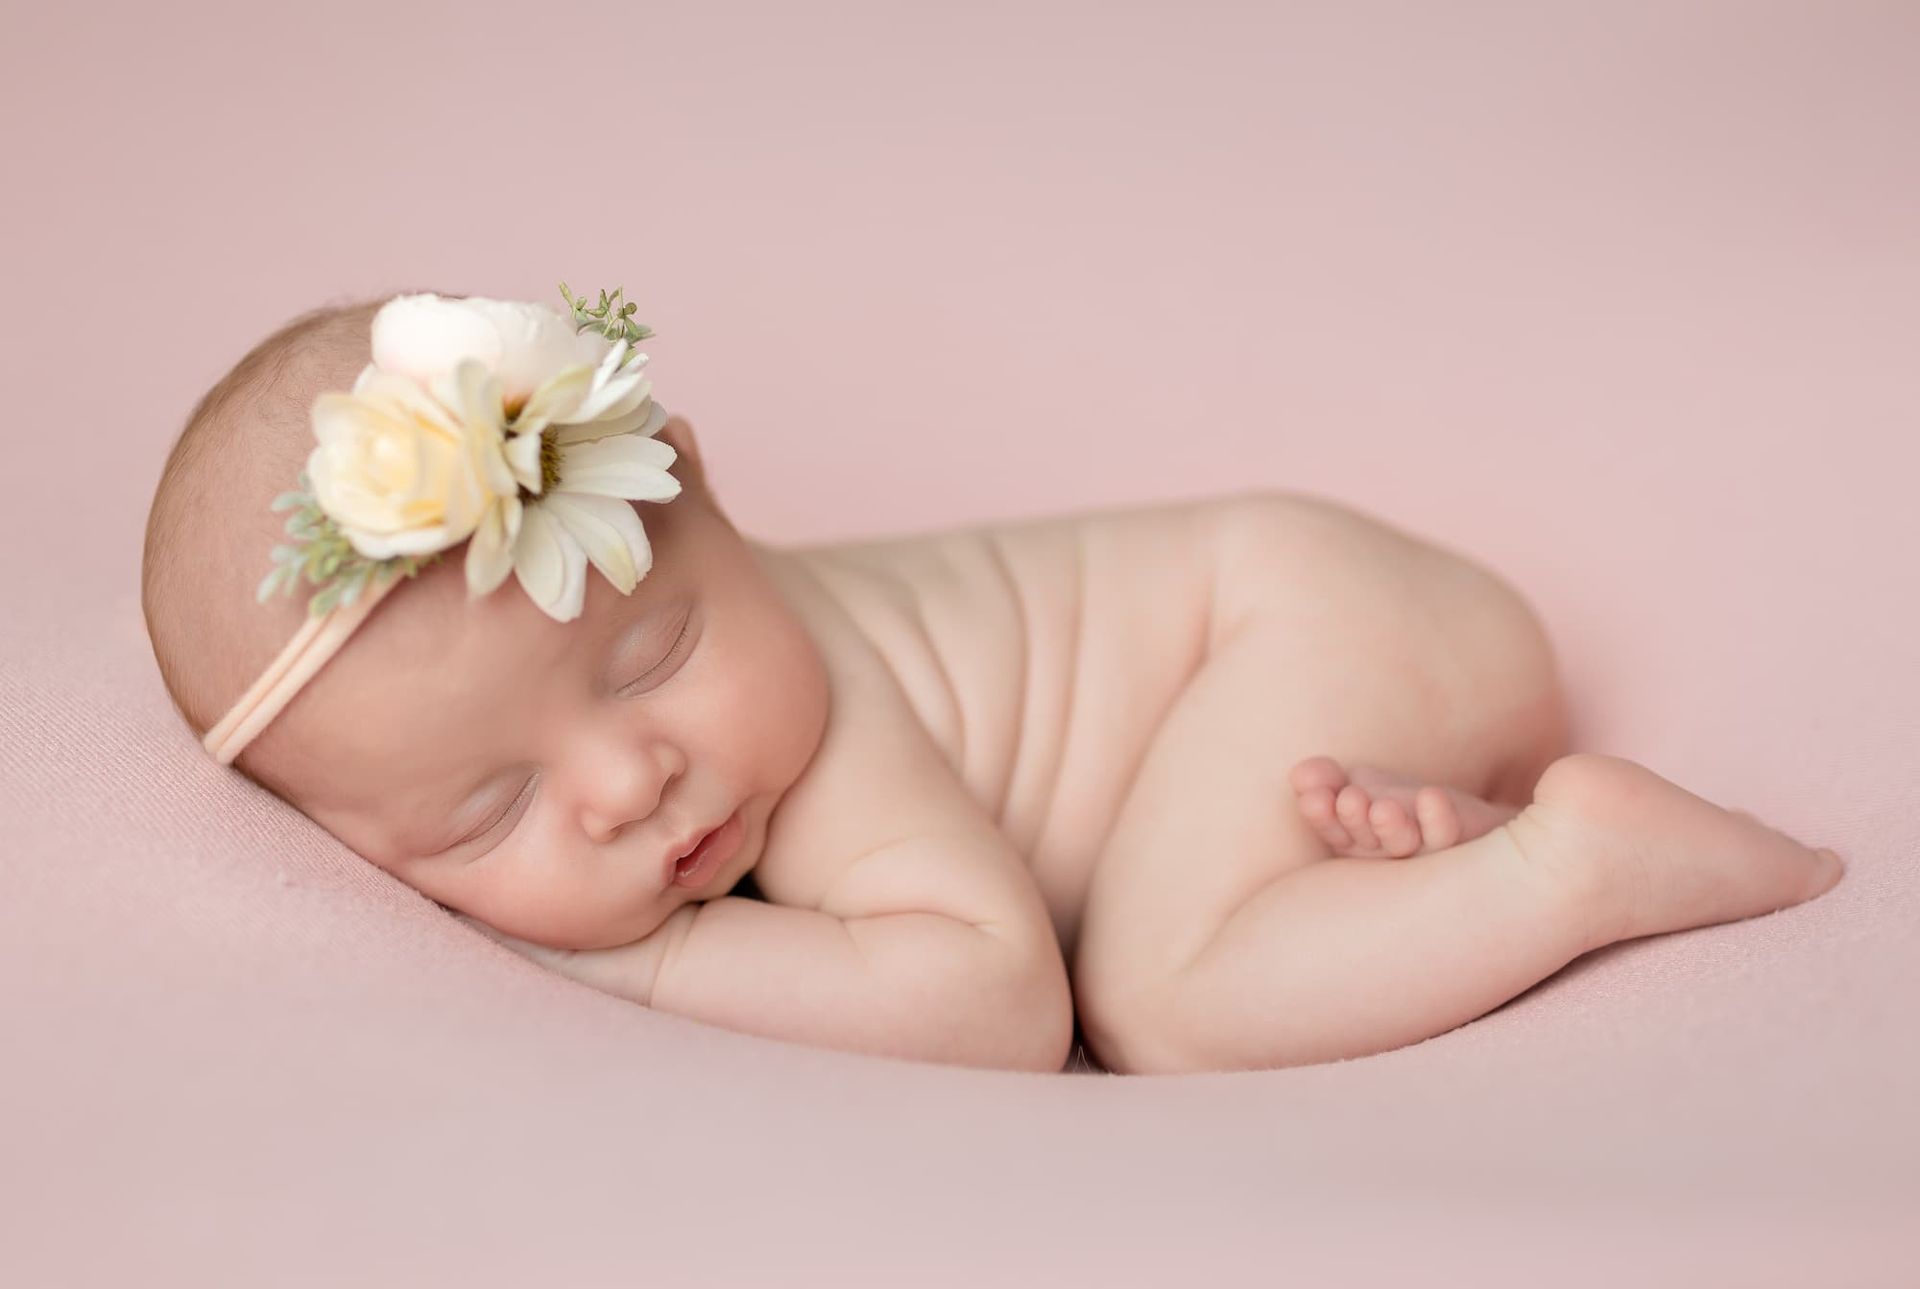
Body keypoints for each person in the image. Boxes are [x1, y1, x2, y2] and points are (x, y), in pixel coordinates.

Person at [140, 287, 1844, 1075]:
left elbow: (994, 1004)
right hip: (1318, 665)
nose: (629, 781)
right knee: (1209, 903)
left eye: (658, 649)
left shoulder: (822, 728)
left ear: (715, 504)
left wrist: (641, 970)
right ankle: (1442, 852)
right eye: (493, 806)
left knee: (1164, 1001)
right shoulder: (697, 739)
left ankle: (1573, 864)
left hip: (1302, 611)